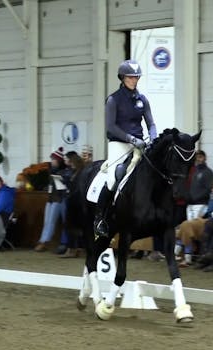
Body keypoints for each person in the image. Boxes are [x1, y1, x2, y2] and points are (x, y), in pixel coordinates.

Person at [94, 59, 157, 238]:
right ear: (122, 78)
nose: (134, 80)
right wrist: (130, 139)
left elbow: (151, 123)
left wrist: (153, 138)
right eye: (130, 77)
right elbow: (111, 127)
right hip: (119, 143)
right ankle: (100, 219)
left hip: (140, 143)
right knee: (115, 177)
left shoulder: (142, 99)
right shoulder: (113, 100)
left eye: (136, 77)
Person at [177, 177, 213, 266]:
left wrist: (211, 215)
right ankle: (186, 255)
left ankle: (179, 250)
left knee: (186, 225)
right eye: (212, 188)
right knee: (185, 225)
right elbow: (208, 211)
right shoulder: (212, 197)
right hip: (207, 218)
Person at [34, 147, 68, 252]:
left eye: (55, 159)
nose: (52, 161)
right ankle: (43, 240)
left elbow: (64, 186)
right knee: (47, 221)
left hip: (59, 199)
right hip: (51, 198)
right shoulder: (51, 171)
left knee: (51, 221)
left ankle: (45, 241)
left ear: (59, 161)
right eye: (52, 159)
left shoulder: (64, 171)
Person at [59, 151, 86, 258]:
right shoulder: (75, 172)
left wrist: (67, 183)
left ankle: (72, 249)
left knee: (71, 227)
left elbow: (76, 188)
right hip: (74, 201)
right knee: (75, 227)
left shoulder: (79, 173)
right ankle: (76, 249)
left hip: (75, 202)